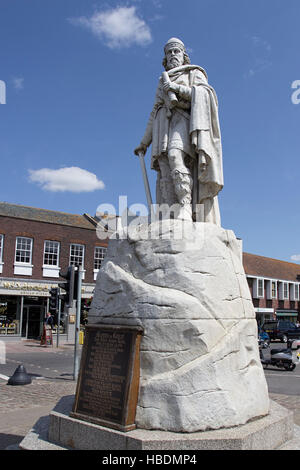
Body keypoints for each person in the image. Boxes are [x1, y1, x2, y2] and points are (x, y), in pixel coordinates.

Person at [134, 37, 223, 224]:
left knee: (175, 155)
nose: (173, 55)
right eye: (169, 52)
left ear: (184, 55)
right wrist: (144, 142)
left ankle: (185, 207)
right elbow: (154, 111)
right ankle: (169, 213)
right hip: (162, 126)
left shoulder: (193, 73)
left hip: (183, 121)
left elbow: (204, 95)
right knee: (165, 167)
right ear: (165, 57)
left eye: (177, 51)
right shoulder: (161, 80)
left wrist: (175, 88)